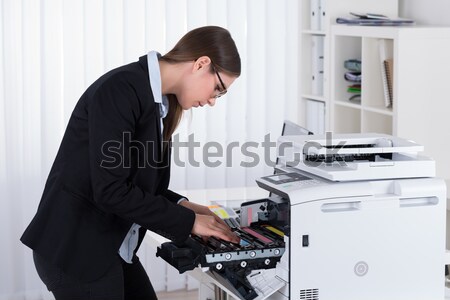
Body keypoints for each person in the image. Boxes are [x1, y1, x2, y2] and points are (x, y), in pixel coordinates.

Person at [21, 25, 241, 300]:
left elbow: (140, 187)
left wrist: (187, 208)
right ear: (201, 64)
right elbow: (111, 191)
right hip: (76, 250)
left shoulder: (160, 104)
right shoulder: (120, 91)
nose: (212, 101)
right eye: (217, 89)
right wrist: (189, 222)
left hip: (109, 245)